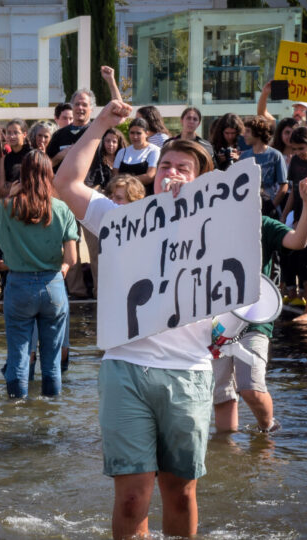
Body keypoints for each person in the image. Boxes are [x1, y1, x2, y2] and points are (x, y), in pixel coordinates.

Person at [54, 98, 216, 539]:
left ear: (202, 182)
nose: (172, 174)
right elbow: (65, 182)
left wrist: (228, 334)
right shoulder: (121, 218)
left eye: (184, 168)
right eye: (166, 166)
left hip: (188, 370)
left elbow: (243, 303)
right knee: (131, 497)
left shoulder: (217, 227)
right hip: (124, 367)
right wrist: (100, 123)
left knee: (180, 492)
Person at [213, 174, 307, 434]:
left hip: (255, 316)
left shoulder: (263, 225)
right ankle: (227, 448)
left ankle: (268, 429)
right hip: (217, 319)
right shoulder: (209, 225)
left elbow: (298, 241)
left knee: (250, 386)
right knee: (220, 392)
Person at [0, 150, 78, 399]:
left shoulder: (7, 207)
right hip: (53, 284)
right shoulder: (61, 208)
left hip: (19, 285)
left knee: (19, 356)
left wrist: (7, 198)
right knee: (52, 360)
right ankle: (51, 414)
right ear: (49, 174)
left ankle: (16, 411)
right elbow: (73, 258)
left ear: (21, 175)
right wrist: (62, 271)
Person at [280, 127, 307, 323]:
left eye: (301, 148)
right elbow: (294, 191)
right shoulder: (295, 161)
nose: (298, 153)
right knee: (293, 258)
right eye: (294, 149)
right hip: (297, 215)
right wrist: (286, 213)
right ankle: (305, 302)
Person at [240, 116, 289, 218]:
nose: (244, 135)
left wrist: (271, 206)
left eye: (248, 131)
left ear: (258, 133)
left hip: (268, 206)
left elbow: (284, 185)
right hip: (248, 207)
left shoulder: (275, 155)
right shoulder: (244, 156)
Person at [47, 89, 95, 169]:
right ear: (72, 107)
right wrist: (60, 156)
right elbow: (46, 166)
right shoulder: (58, 135)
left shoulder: (97, 132)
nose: (80, 107)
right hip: (63, 181)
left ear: (91, 109)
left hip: (89, 181)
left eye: (84, 105)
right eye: (77, 104)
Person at [112, 118, 159, 196]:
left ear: (147, 133)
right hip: (123, 197)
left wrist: (125, 181)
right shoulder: (122, 152)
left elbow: (150, 176)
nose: (135, 136)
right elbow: (114, 175)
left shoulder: (154, 150)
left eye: (139, 133)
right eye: (132, 133)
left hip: (144, 197)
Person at [0, 119, 31, 198]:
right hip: (11, 203)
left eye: (16, 133)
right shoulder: (4, 159)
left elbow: (35, 186)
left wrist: (11, 185)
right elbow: (2, 190)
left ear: (24, 134)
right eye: (9, 133)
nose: (12, 136)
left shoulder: (33, 155)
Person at [88, 127, 125, 191]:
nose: (111, 144)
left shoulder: (124, 159)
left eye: (114, 142)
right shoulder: (98, 160)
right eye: (108, 141)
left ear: (119, 143)